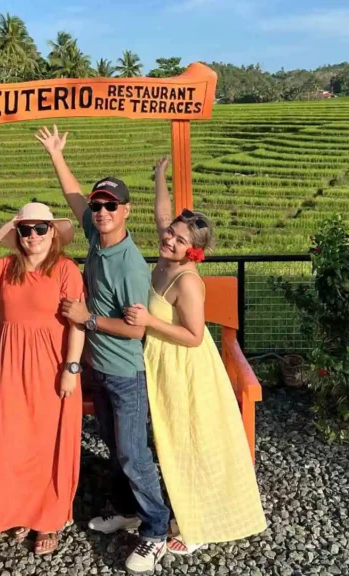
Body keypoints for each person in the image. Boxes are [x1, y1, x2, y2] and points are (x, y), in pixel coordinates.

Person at [36, 125, 171, 573]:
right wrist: (57, 154)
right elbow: (74, 196)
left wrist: (87, 319)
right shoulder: (96, 237)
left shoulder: (130, 264)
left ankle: (155, 529)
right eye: (97, 205)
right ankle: (126, 510)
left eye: (110, 205)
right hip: (100, 366)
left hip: (126, 372)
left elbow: (137, 332)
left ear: (126, 210)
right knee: (115, 447)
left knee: (134, 452)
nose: (100, 211)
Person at [123, 158, 267, 555]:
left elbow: (192, 334)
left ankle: (198, 525)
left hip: (186, 366)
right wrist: (159, 177)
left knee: (188, 441)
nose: (169, 238)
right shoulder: (168, 257)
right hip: (162, 362)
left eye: (179, 239)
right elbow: (163, 213)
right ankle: (170, 508)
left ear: (194, 252)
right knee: (168, 439)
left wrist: (150, 319)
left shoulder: (187, 281)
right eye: (171, 233)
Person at [0, 201, 86, 555]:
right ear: (17, 234)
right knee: (15, 441)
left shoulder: (66, 270)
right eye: (25, 229)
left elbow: (78, 325)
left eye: (40, 228)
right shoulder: (7, 267)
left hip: (52, 366)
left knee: (48, 443)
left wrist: (71, 369)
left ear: (52, 232)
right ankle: (20, 511)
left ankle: (48, 520)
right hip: (10, 366)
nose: (33, 236)